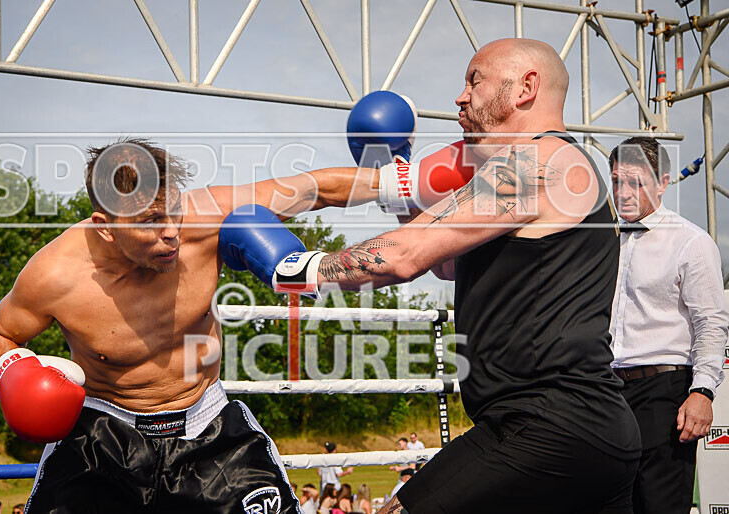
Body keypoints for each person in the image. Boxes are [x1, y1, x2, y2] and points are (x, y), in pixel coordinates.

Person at [234, 38, 643, 513]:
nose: (461, 96)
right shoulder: (546, 169)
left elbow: (404, 256)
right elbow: (444, 262)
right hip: (579, 428)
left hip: (548, 424)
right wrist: (396, 187)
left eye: (476, 80)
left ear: (526, 87)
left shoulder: (539, 161)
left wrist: (297, 270)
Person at [0, 139, 381, 512]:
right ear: (105, 225)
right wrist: (16, 372)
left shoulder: (208, 218)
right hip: (102, 438)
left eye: (174, 211)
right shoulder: (56, 275)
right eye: (151, 221)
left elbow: (314, 188)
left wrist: (410, 182)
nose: (171, 232)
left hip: (209, 430)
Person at [609, 136, 729, 514]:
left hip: (665, 393)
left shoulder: (691, 242)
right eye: (616, 181)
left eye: (635, 181)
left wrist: (703, 392)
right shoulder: (601, 242)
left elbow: (711, 323)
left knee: (659, 506)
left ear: (662, 182)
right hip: (606, 393)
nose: (623, 192)